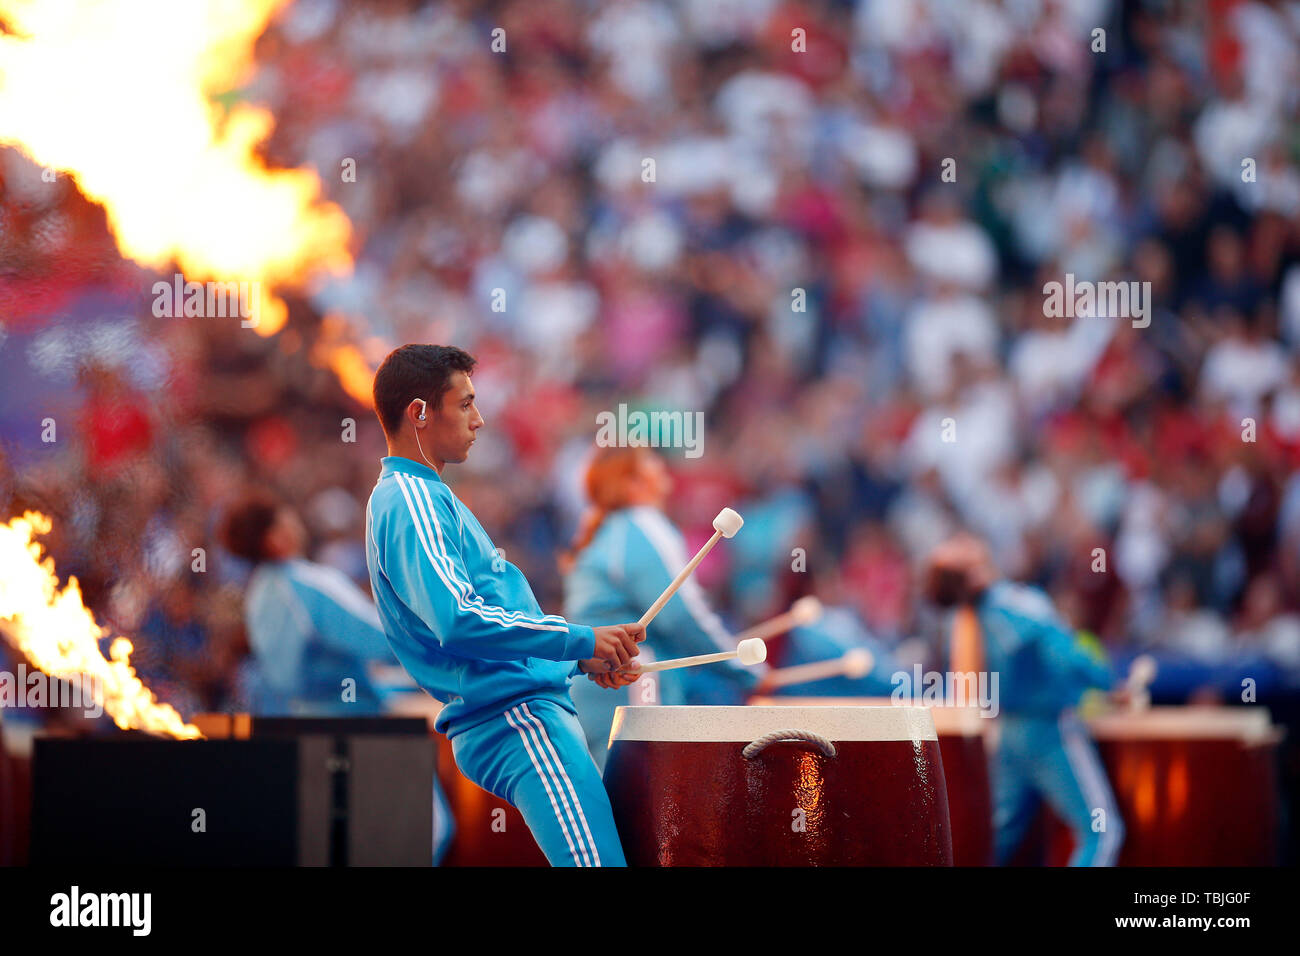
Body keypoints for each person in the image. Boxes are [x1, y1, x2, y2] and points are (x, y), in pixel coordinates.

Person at [363, 344, 643, 867]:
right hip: (516, 718)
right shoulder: (409, 496)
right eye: (465, 404)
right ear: (420, 414)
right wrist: (577, 638)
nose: (479, 419)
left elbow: (481, 618)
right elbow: (459, 619)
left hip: (517, 711)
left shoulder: (423, 494)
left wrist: (575, 659)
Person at [220, 493, 455, 864]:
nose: (297, 524)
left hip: (299, 727)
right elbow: (380, 638)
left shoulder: (257, 593)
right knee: (427, 830)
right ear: (275, 537)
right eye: (288, 517)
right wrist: (448, 641)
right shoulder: (305, 582)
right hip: (355, 726)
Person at [920, 533, 1126, 866]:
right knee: (1102, 831)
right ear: (972, 572)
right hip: (1047, 730)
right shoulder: (1014, 604)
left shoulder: (965, 623)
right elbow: (1066, 655)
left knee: (995, 839)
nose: (965, 540)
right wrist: (1107, 682)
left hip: (1006, 734)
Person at [561, 445, 761, 770]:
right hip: (633, 685)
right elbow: (681, 617)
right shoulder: (642, 523)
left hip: (593, 691)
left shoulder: (603, 531)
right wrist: (746, 671)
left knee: (614, 808)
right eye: (650, 461)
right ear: (632, 482)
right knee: (648, 807)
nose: (661, 466)